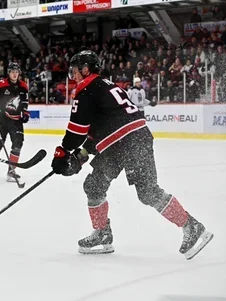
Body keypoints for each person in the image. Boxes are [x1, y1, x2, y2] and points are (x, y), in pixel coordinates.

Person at [50, 50, 213, 260]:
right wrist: (81, 155)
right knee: (94, 186)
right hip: (122, 141)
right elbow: (100, 129)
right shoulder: (105, 86)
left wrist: (62, 153)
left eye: (75, 70)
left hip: (129, 140)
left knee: (146, 191)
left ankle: (192, 226)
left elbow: (77, 130)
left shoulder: (87, 89)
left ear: (86, 69)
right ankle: (102, 234)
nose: (73, 76)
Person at [0, 62, 29, 183]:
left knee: (18, 144)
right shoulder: (1, 85)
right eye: (12, 72)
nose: (15, 74)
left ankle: (11, 171)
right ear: (8, 73)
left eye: (17, 72)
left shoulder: (23, 86)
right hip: (1, 119)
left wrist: (25, 113)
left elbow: (25, 101)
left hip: (16, 120)